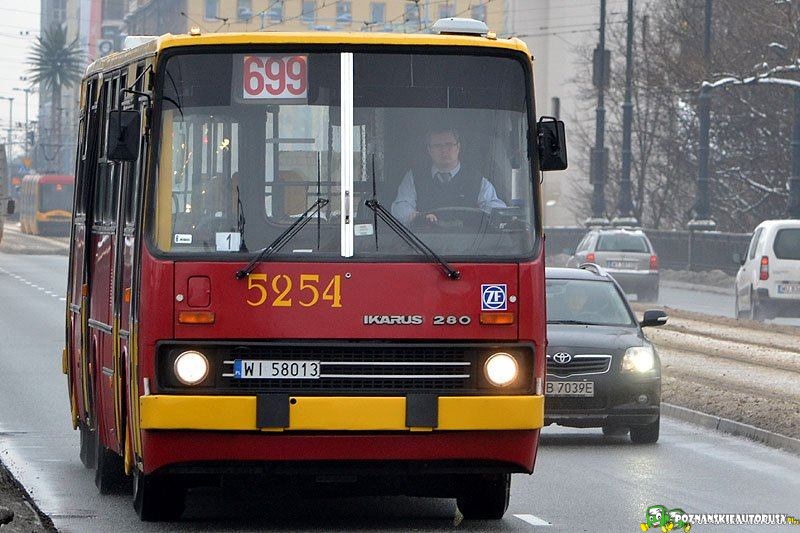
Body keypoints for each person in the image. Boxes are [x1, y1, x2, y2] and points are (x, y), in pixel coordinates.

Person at [390, 127, 506, 226]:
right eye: (437, 146)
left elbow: (495, 208)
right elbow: (401, 206)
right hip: (421, 242)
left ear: (458, 147)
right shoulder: (414, 177)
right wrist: (416, 217)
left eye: (449, 144)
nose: (444, 150)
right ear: (429, 150)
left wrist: (481, 217)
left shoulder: (476, 179)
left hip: (470, 242)